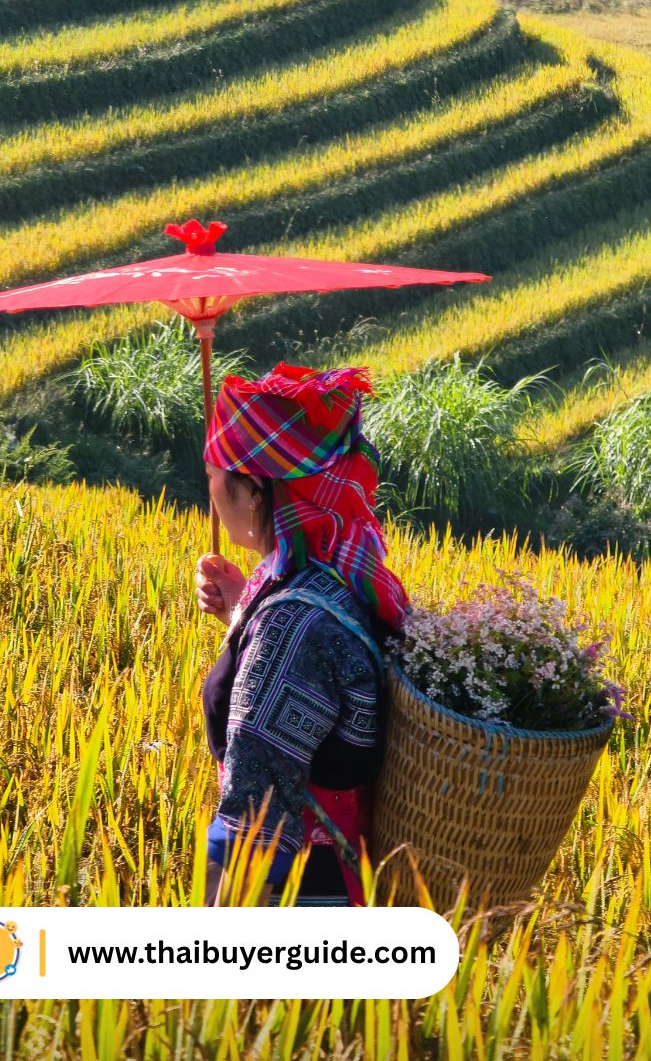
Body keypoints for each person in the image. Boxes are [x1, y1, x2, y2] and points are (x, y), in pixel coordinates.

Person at [191, 361, 411, 907]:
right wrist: (243, 610)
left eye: (215, 475)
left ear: (254, 491)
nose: (211, 491)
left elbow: (253, 829)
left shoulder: (290, 629)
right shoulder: (332, 577)